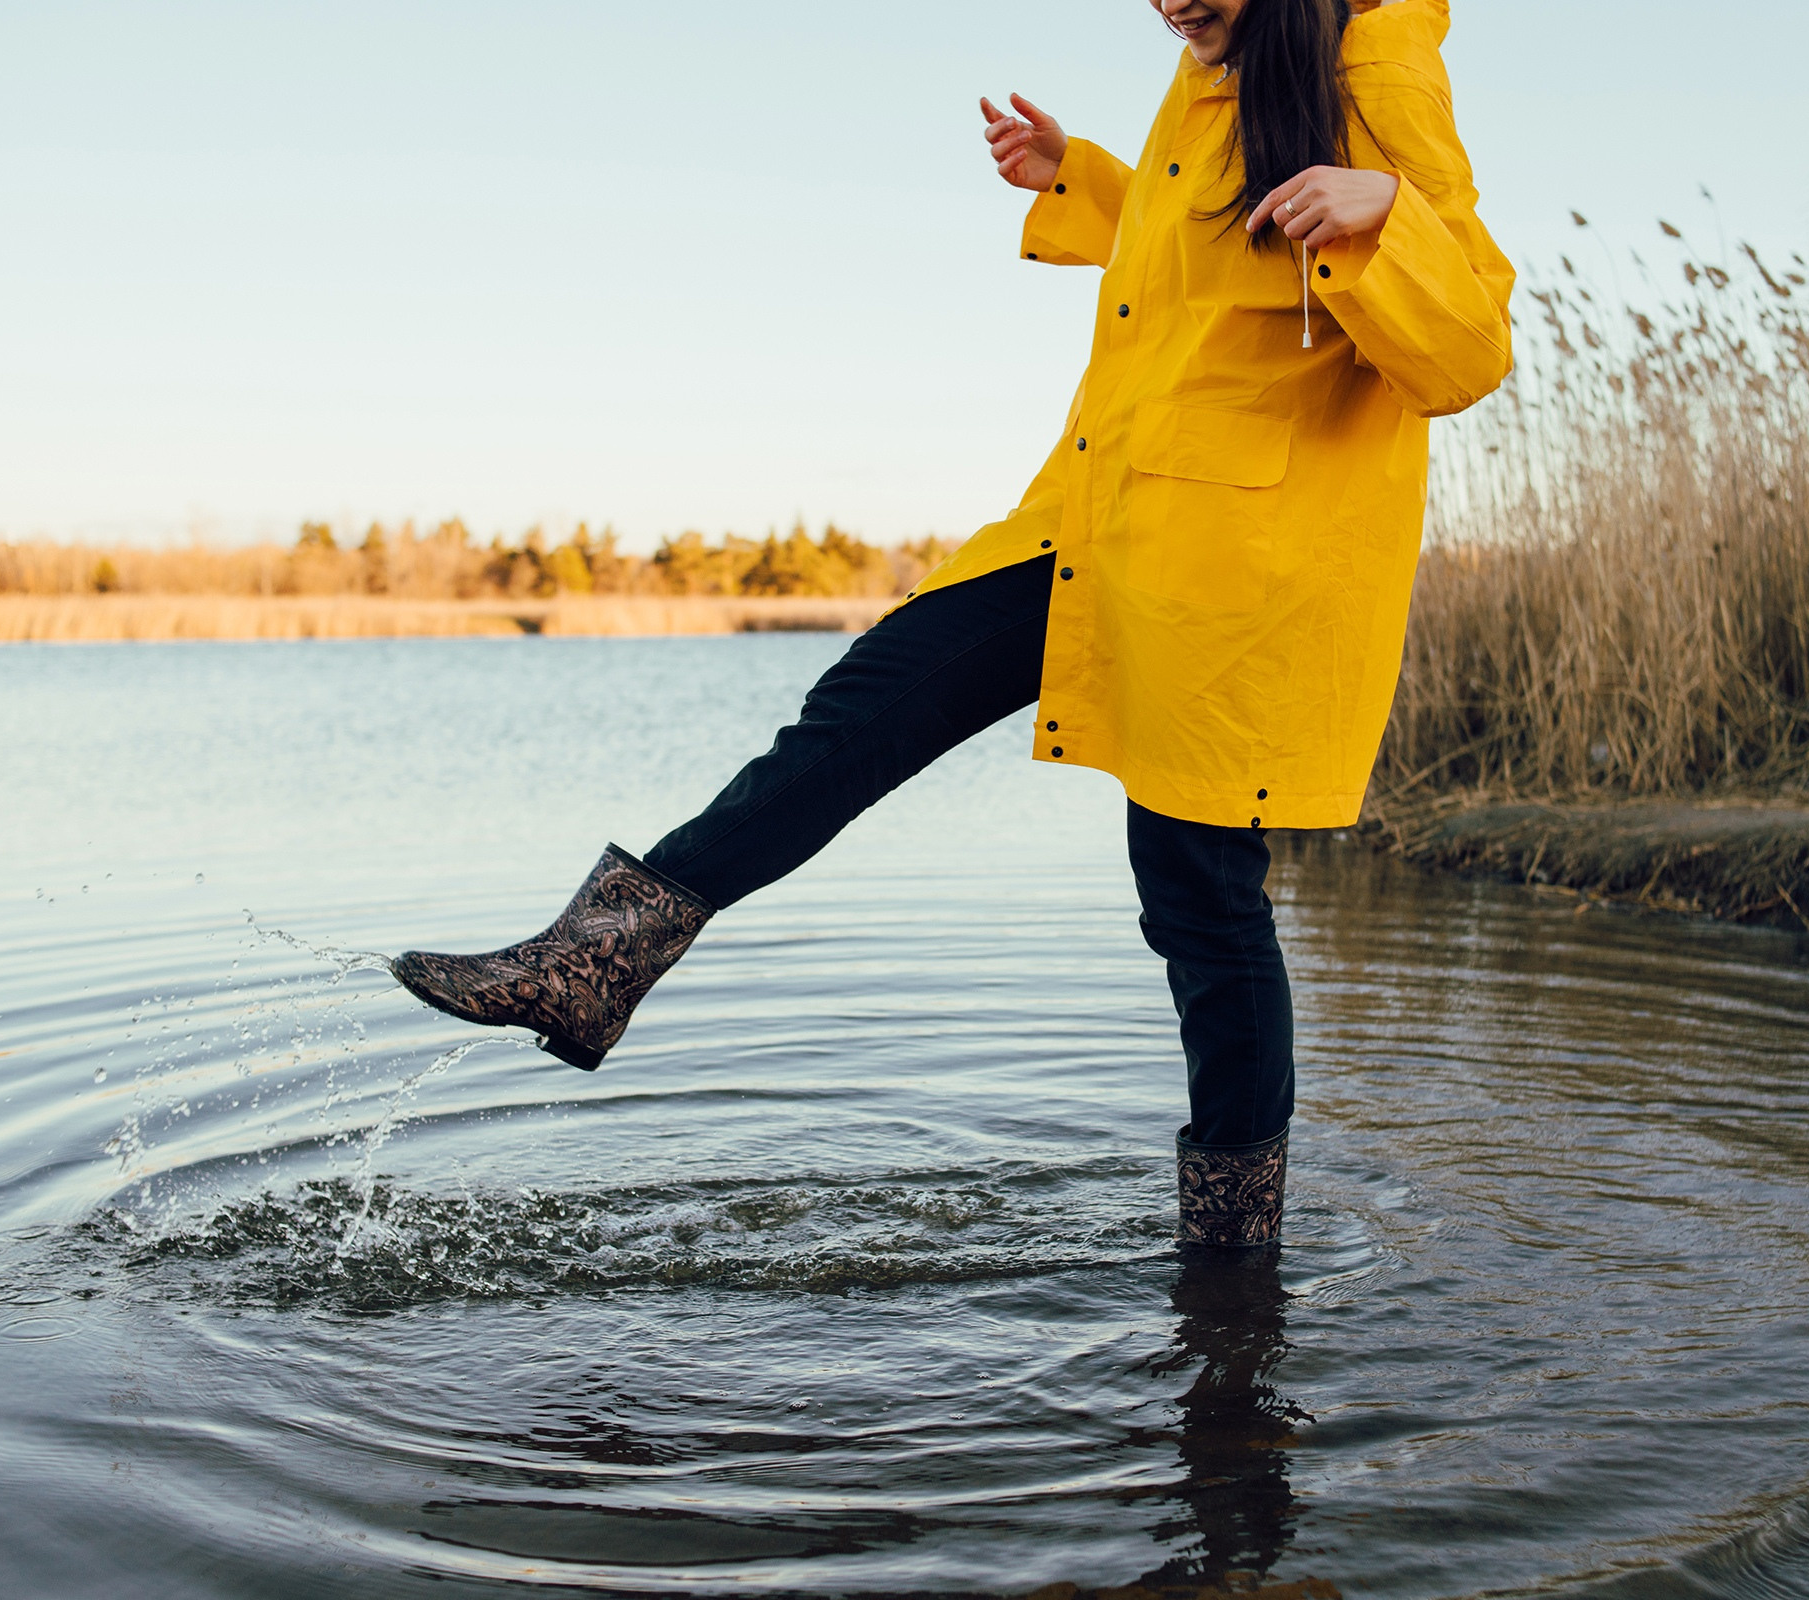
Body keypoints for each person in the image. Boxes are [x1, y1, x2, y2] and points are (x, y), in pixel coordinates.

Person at [393, 0, 1514, 1249]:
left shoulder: (1377, 59)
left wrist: (1386, 216)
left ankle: (1235, 1261)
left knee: (1201, 895)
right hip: (1100, 521)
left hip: (1235, 570)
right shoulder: (1223, 67)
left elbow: (1469, 344)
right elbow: (1216, 244)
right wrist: (1079, 176)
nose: (1170, 3)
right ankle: (591, 966)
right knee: (867, 703)